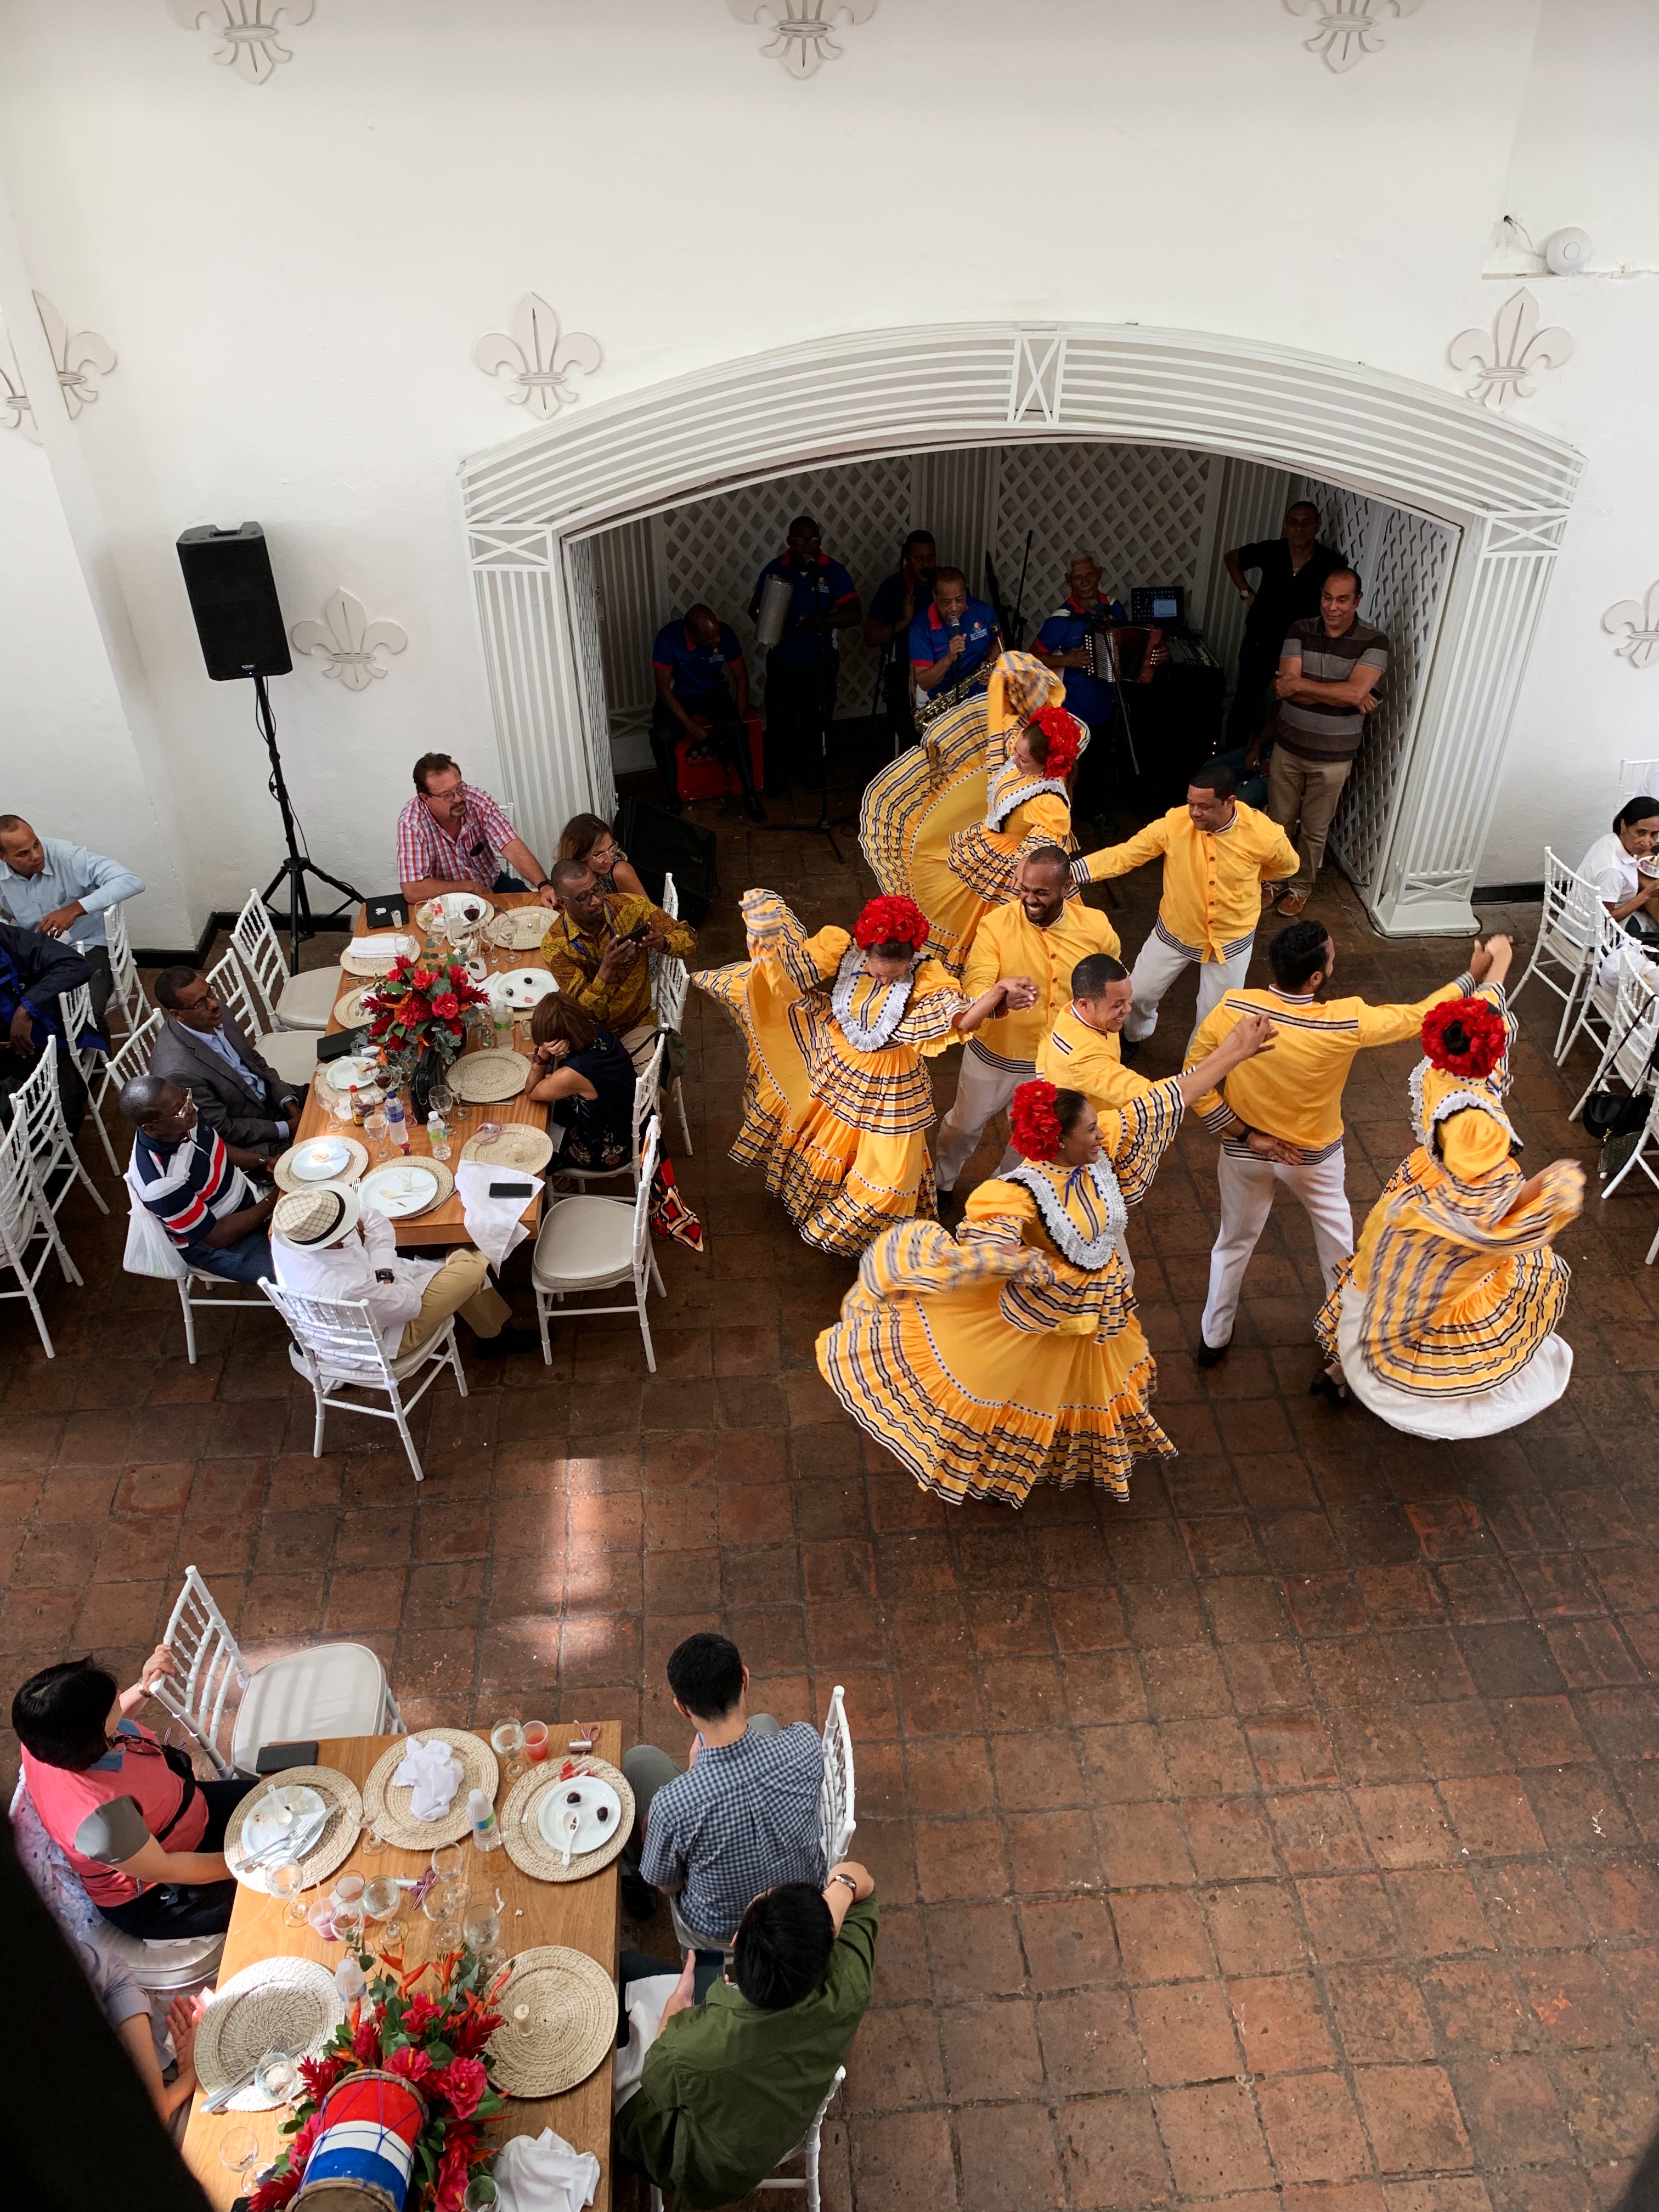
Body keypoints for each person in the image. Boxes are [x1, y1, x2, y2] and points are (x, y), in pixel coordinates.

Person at [818, 1049, 1274, 1510]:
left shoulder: (1099, 1154)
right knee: (1017, 1395)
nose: (1101, 1133)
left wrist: (1236, 1048)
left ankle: (1033, 1460)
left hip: (1094, 1315)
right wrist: (1025, 1264)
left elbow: (1168, 1099)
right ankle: (996, 1472)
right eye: (1091, 1129)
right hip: (1040, 1322)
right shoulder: (1015, 1192)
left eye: (1099, 1126)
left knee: (1073, 1392)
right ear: (1058, 1140)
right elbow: (988, 1242)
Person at [1183, 919, 1507, 1364]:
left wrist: (1247, 1135)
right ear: (1316, 978)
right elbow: (1422, 1015)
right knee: (1338, 1249)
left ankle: (1213, 1340)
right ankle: (1343, 1346)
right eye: (1332, 955)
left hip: (1245, 1152)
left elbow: (1193, 1081)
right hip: (1313, 1159)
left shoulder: (1233, 1007)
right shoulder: (1347, 1020)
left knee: (1233, 1243)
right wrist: (1472, 976)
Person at [1314, 989, 1583, 1433]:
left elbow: (1483, 1014)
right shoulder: (1475, 1128)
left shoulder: (1438, 1073)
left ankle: (1341, 1368)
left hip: (1419, 1188)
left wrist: (1492, 963)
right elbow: (1492, 1209)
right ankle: (1375, 1380)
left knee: (1386, 1287)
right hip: (1450, 1214)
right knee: (1432, 1302)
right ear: (1488, 1056)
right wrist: (1549, 1184)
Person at [693, 891, 1020, 1256]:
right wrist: (767, 942)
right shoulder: (840, 947)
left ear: (911, 959)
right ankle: (833, 1210)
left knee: (892, 1173)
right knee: (834, 1140)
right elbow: (789, 977)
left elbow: (960, 1020)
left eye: (892, 977)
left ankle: (857, 1228)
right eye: (877, 972)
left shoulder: (928, 976)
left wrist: (998, 993)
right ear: (865, 952)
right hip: (838, 1065)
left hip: (891, 1081)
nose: (882, 982)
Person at [614, 1860, 877, 2212]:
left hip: (706, 2170)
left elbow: (657, 2081)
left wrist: (674, 2010)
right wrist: (838, 1893)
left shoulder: (690, 2048)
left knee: (624, 1968)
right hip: (779, 2121)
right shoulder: (850, 1982)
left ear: (736, 1943)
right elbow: (862, 1881)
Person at [860, 652, 1087, 976]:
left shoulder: (1050, 801)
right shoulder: (1017, 753)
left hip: (1012, 872)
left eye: (1024, 759)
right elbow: (1001, 725)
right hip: (991, 848)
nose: (1016, 758)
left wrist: (1019, 885)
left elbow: (1038, 857)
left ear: (1045, 764)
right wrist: (1000, 677)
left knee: (1005, 935)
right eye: (1017, 751)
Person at [12, 1650, 252, 1938]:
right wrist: (247, 1865)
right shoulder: (100, 1819)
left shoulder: (44, 1733)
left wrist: (144, 1687)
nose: (119, 1695)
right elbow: (165, 1868)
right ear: (97, 1733)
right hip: (158, 1891)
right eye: (113, 1702)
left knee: (289, 1796)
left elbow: (105, 1719)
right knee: (268, 1894)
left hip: (188, 1810)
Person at [933, 845, 1121, 1206]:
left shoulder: (1096, 927)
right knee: (963, 1126)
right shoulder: (996, 925)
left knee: (1031, 1138)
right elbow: (976, 985)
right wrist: (1000, 998)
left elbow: (1112, 984)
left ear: (1066, 887)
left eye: (1040, 893)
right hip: (994, 1056)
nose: (1028, 900)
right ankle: (943, 1181)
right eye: (1023, 889)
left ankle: (1000, 1192)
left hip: (1054, 1063)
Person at [1069, 760, 1298, 1050]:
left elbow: (1287, 867)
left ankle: (1198, 1075)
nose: (1194, 813)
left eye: (1203, 807)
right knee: (1138, 995)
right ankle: (1133, 1036)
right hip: (1175, 932)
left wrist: (1250, 880)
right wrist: (1073, 871)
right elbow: (1127, 854)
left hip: (1231, 941)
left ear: (1230, 802)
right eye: (1190, 803)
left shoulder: (1266, 834)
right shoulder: (1174, 824)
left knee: (1216, 1018)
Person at [620, 1632, 825, 1940]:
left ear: (682, 1708)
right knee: (764, 1722)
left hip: (721, 1932)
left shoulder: (672, 1806)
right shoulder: (807, 1741)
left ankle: (632, 1877)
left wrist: (694, 1776)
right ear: (744, 1679)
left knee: (639, 1761)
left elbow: (668, 1885)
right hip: (801, 1906)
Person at [269, 1181, 543, 1356]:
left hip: (375, 1298)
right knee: (471, 1266)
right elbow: (408, 1307)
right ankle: (494, 1333)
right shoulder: (344, 1286)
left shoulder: (294, 1231)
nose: (353, 1222)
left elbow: (375, 1220)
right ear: (334, 1238)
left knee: (459, 1263)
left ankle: (492, 1331)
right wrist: (386, 1274)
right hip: (381, 1337)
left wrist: (381, 1269)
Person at [526, 995, 703, 1246]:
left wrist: (542, 1053)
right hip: (627, 1125)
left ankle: (552, 1197)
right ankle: (562, 1182)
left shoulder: (571, 1075)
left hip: (609, 1150)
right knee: (552, 1115)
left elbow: (532, 1091)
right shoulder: (598, 1033)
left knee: (538, 1145)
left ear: (559, 1041)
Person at [1267, 569, 1389, 916]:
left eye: (1342, 599)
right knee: (1278, 822)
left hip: (1334, 757)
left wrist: (1305, 687)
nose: (1332, 607)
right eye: (1327, 597)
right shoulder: (1300, 629)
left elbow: (1307, 688)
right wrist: (1348, 696)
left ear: (1357, 600)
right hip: (1289, 746)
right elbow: (1284, 686)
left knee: (1315, 830)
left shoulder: (1374, 641)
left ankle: (1300, 888)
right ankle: (1273, 881)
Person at [120, 1075, 278, 1284]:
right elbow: (219, 1236)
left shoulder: (182, 1118)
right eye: (180, 1108)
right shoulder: (162, 1184)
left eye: (185, 1096)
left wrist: (264, 1163)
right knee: (298, 1276)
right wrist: (275, 1199)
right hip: (218, 1240)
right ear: (151, 1128)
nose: (190, 1106)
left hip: (244, 1196)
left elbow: (215, 1147)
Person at [1220, 502, 1346, 758]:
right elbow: (1232, 558)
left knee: (1288, 708)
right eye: (1293, 522)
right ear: (1286, 525)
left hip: (1299, 647)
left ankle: (1269, 764)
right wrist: (1247, 593)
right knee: (1245, 702)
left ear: (1317, 526)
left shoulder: (1330, 561)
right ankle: (1229, 763)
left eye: (1306, 522)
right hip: (1261, 638)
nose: (1299, 528)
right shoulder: (1272, 550)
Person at [541, 857, 697, 1064]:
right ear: (562, 903)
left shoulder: (633, 908)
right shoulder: (556, 946)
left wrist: (664, 944)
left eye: (597, 890)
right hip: (589, 1034)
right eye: (583, 898)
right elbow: (586, 1011)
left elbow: (690, 939)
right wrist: (606, 970)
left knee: (652, 1084)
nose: (596, 900)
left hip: (637, 1023)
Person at [0, 814, 144, 1035]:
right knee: (13, 1009)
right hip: (38, 954)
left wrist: (74, 909)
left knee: (88, 1014)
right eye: (23, 854)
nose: (37, 855)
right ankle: (53, 1063)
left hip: (89, 945)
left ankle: (101, 1066)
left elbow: (131, 881)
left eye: (36, 844)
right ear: (3, 857)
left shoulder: (66, 856)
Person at [748, 515, 860, 788]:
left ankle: (812, 774)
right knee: (780, 720)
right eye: (801, 540)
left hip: (820, 660)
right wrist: (772, 624)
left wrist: (818, 623)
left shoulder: (833, 572)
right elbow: (754, 608)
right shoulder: (775, 570)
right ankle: (778, 775)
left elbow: (854, 614)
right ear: (789, 542)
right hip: (784, 660)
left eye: (815, 540)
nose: (808, 546)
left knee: (816, 721)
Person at [148, 965, 303, 1154]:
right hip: (251, 1132)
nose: (213, 1004)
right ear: (178, 1014)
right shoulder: (179, 1072)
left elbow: (252, 1059)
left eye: (210, 993)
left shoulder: (215, 1011)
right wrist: (287, 1128)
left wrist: (289, 1103)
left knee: (337, 1096)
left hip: (272, 1098)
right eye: (199, 1004)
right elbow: (222, 1128)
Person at [394, 752, 560, 908]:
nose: (459, 798)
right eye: (447, 795)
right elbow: (412, 890)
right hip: (447, 901)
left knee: (535, 912)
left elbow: (510, 844)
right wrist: (469, 887)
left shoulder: (478, 801)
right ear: (425, 798)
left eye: (460, 788)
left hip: (493, 885)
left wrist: (544, 884)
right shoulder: (411, 824)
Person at [1031, 554, 1127, 815]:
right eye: (1078, 577)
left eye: (1090, 575)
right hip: (1073, 709)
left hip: (1108, 705)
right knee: (1073, 771)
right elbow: (1032, 659)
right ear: (1068, 581)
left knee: (1102, 767)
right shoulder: (1061, 619)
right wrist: (1067, 659)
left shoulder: (1114, 609)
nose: (1085, 582)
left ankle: (1097, 814)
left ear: (1100, 574)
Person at [649, 604, 764, 821]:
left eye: (718, 632)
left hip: (713, 692)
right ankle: (673, 798)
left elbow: (742, 679)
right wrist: (691, 727)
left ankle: (750, 794)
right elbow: (663, 689)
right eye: (711, 637)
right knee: (661, 736)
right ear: (691, 634)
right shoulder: (667, 638)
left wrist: (737, 722)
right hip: (678, 695)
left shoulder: (725, 634)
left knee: (735, 729)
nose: (718, 639)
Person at [0, 916, 99, 1133]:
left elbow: (74, 964)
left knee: (66, 1101)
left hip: (31, 1042)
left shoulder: (9, 939)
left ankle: (50, 1156)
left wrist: (27, 1008)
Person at [864, 530, 937, 741]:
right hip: (904, 669)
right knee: (910, 733)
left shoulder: (945, 583)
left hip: (944, 665)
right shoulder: (892, 588)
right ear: (907, 558)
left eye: (930, 558)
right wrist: (905, 621)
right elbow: (870, 638)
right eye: (919, 559)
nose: (926, 564)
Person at [908, 567, 1002, 714]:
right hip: (938, 701)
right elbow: (925, 683)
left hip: (978, 694)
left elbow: (998, 645)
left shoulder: (983, 611)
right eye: (946, 602)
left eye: (959, 600)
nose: (954, 608)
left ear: (965, 593)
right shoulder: (920, 627)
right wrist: (949, 658)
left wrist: (989, 664)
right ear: (935, 597)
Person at [1579, 796, 1659, 945]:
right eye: (1640, 833)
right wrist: (1647, 894)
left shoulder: (1608, 841)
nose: (1647, 843)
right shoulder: (1613, 871)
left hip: (1577, 922)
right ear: (1624, 826)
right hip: (1593, 939)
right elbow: (1604, 921)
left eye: (1654, 834)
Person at [555, 812, 647, 900]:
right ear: (578, 855)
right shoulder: (569, 877)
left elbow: (650, 913)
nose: (608, 860)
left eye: (611, 848)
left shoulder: (620, 871)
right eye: (598, 854)